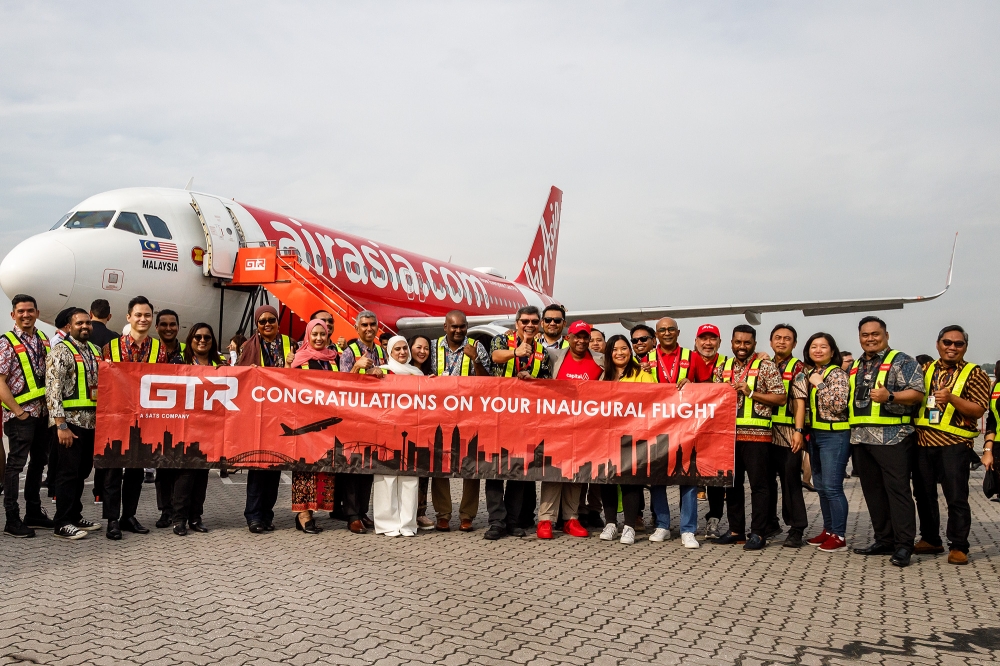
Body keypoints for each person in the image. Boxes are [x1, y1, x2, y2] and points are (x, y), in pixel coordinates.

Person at [848, 316, 925, 568]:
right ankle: (884, 539)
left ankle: (904, 545)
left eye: (875, 334)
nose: (870, 338)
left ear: (886, 335)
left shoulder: (902, 361)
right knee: (873, 492)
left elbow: (917, 393)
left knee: (898, 492)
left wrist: (890, 395)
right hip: (860, 439)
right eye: (865, 335)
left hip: (893, 438)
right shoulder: (855, 365)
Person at [912, 325, 989, 565]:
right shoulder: (925, 369)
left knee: (956, 497)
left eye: (958, 344)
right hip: (923, 442)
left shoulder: (975, 373)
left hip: (954, 445)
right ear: (937, 344)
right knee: (923, 495)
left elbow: (978, 410)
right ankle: (931, 538)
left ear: (965, 347)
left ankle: (958, 545)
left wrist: (952, 398)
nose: (952, 347)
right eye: (947, 342)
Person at [713, 324, 785, 550]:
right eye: (738, 342)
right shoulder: (722, 368)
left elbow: (781, 398)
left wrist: (751, 393)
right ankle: (736, 531)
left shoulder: (766, 367)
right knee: (732, 485)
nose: (742, 346)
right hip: (729, 437)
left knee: (759, 486)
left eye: (746, 342)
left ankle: (759, 533)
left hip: (757, 437)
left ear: (754, 343)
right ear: (731, 343)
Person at [101, 295, 165, 540]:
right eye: (138, 315)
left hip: (145, 420)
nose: (143, 319)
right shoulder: (111, 348)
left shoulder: (160, 349)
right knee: (113, 472)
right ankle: (112, 520)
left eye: (147, 315)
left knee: (136, 472)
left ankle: (129, 515)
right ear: (128, 317)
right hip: (117, 420)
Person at [484, 305, 550, 540]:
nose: (529, 325)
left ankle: (512, 521)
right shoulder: (501, 339)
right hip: (498, 417)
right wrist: (516, 353)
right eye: (525, 321)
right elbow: (495, 357)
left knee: (518, 471)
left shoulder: (542, 350)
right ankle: (496, 521)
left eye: (534, 322)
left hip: (525, 420)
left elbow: (546, 382)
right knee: (494, 470)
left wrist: (532, 380)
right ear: (517, 322)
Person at [538, 321, 603, 540]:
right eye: (577, 336)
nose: (582, 341)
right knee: (554, 472)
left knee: (577, 473)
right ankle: (546, 519)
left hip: (585, 427)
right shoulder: (554, 357)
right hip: (557, 426)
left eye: (585, 337)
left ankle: (571, 518)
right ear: (569, 337)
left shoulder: (600, 361)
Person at [427, 311, 490, 533]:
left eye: (462, 326)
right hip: (439, 415)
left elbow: (487, 382)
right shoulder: (432, 347)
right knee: (440, 466)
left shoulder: (477, 347)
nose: (458, 330)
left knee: (470, 465)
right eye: (453, 327)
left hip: (470, 415)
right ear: (445, 327)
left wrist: (476, 359)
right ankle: (443, 515)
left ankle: (467, 515)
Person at [44, 308, 102, 540]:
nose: (85, 327)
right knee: (67, 473)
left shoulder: (96, 351)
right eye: (79, 323)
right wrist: (61, 426)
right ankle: (62, 522)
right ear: (69, 327)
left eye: (88, 323)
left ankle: (75, 515)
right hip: (71, 423)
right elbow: (53, 390)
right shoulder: (60, 351)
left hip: (92, 423)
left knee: (82, 472)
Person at [237, 304, 294, 534]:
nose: (267, 324)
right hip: (259, 415)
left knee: (275, 468)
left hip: (283, 413)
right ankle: (253, 516)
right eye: (262, 321)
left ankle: (267, 514)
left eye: (271, 320)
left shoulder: (291, 344)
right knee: (258, 468)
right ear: (257, 325)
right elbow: (238, 373)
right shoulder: (248, 346)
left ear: (278, 322)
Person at [0, 294, 54, 537]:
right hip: (21, 417)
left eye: (30, 310)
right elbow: (0, 383)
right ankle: (12, 519)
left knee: (38, 463)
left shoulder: (43, 339)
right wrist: (19, 412)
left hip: (42, 415)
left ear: (37, 313)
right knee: (15, 466)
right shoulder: (6, 343)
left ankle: (33, 513)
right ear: (13, 315)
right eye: (20, 311)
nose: (26, 315)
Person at [793, 332, 851, 552]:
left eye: (823, 346)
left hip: (834, 435)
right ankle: (828, 530)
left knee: (833, 487)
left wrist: (819, 385)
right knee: (821, 486)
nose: (818, 350)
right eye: (813, 346)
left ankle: (840, 535)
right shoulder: (810, 372)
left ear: (832, 351)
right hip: (816, 434)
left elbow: (838, 406)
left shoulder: (836, 374)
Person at [599, 334, 654, 545]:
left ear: (630, 351)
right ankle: (611, 523)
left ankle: (629, 526)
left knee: (631, 481)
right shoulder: (604, 376)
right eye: (614, 349)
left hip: (634, 436)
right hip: (608, 437)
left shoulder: (642, 374)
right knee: (608, 480)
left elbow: (652, 400)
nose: (619, 353)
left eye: (623, 349)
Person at [170, 323, 224, 536]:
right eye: (198, 337)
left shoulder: (221, 364)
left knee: (202, 475)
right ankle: (178, 519)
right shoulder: (179, 361)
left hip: (210, 427)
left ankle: (195, 517)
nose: (202, 341)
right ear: (190, 340)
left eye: (207, 338)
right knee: (185, 475)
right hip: (185, 426)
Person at [288, 319, 339, 536]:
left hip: (327, 425)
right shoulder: (299, 361)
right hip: (305, 423)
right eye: (314, 334)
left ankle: (313, 510)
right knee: (304, 470)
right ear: (308, 335)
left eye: (322, 334)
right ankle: (303, 514)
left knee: (323, 470)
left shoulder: (333, 360)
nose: (319, 338)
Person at [338, 310, 385, 534]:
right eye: (364, 325)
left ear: (377, 327)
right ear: (357, 328)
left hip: (375, 418)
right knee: (352, 466)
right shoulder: (350, 352)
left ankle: (363, 510)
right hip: (353, 417)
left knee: (368, 466)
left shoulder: (382, 352)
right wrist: (357, 368)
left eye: (372, 325)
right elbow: (340, 384)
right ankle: (352, 515)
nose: (368, 329)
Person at [764, 324, 808, 548]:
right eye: (777, 338)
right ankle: (770, 523)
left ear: (794, 343)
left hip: (788, 433)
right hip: (764, 432)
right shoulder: (764, 365)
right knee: (766, 482)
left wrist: (799, 432)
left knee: (790, 482)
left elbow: (800, 403)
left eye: (787, 339)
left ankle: (797, 527)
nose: (782, 342)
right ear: (770, 342)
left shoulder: (797, 367)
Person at [374, 336, 422, 537]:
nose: (402, 352)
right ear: (390, 352)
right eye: (397, 350)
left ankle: (408, 523)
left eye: (404, 349)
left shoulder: (417, 373)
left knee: (410, 477)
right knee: (386, 476)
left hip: (412, 428)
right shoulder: (382, 371)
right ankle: (387, 524)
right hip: (387, 428)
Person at [692, 324, 727, 536]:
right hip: (691, 428)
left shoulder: (727, 363)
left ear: (719, 342)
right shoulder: (687, 361)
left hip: (717, 429)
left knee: (716, 478)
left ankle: (714, 519)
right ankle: (686, 522)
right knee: (689, 477)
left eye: (712, 339)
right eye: (703, 338)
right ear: (696, 341)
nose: (707, 343)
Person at [152, 309, 184, 527]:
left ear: (178, 327)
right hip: (159, 417)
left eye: (172, 324)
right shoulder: (151, 352)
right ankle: (165, 510)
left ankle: (182, 509)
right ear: (157, 328)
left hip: (185, 417)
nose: (168, 328)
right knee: (163, 466)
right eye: (163, 324)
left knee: (183, 466)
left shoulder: (187, 352)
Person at [87, 298, 115, 504]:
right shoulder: (114, 339)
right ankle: (100, 492)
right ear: (110, 316)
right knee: (103, 449)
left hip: (83, 404)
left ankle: (55, 492)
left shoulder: (81, 336)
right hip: (108, 400)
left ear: (90, 314)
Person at [407, 334, 434, 529]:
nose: (422, 351)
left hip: (425, 429)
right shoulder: (400, 371)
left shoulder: (431, 373)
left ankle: (420, 512)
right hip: (405, 430)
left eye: (426, 348)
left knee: (423, 473)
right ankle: (405, 512)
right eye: (418, 347)